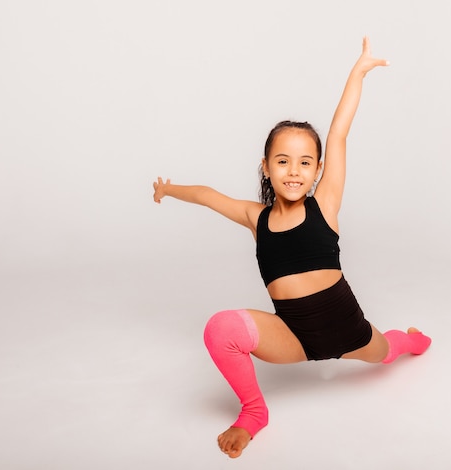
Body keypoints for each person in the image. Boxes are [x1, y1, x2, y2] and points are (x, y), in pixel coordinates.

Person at [152, 37, 431, 459]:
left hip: (348, 328)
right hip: (294, 337)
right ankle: (253, 412)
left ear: (318, 169)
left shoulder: (325, 204)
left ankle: (414, 340)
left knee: (388, 352)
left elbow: (338, 132)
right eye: (282, 161)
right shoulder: (255, 218)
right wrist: (168, 189)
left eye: (305, 163)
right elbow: (209, 195)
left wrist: (357, 73)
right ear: (266, 166)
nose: (294, 171)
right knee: (220, 328)